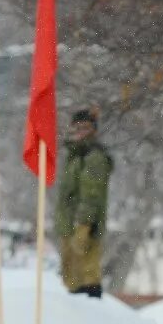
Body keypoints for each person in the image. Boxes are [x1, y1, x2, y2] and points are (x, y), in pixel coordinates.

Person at [54, 108, 113, 298]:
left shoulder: (93, 157)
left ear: (94, 130)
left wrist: (83, 226)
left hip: (83, 227)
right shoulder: (75, 155)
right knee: (70, 279)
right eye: (77, 128)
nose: (80, 132)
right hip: (69, 226)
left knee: (86, 278)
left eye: (85, 128)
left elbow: (91, 195)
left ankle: (89, 312)